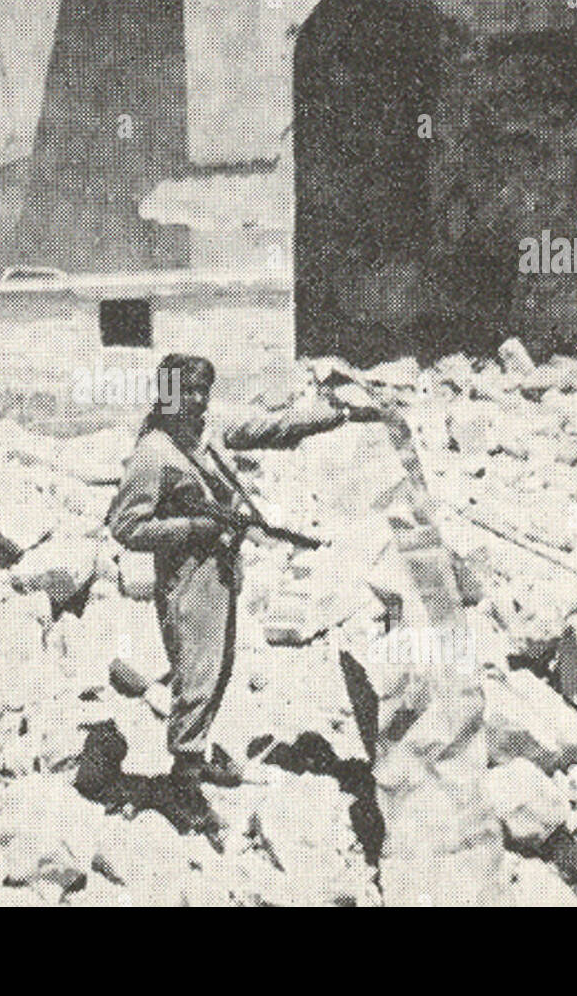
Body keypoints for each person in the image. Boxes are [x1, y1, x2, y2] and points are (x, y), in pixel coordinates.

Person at [107, 354, 379, 830]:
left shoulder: (205, 431)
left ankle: (197, 758)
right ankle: (183, 784)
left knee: (220, 666)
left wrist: (337, 413)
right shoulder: (155, 452)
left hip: (221, 567)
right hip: (188, 574)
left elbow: (267, 428)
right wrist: (194, 526)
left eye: (201, 390)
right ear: (165, 392)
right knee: (196, 675)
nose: (195, 400)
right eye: (184, 390)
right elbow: (126, 526)